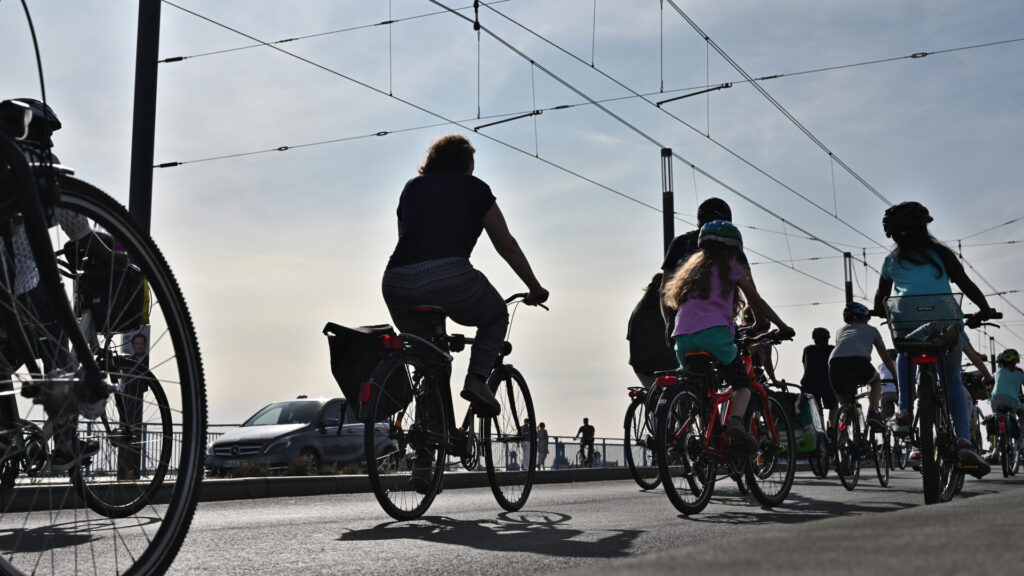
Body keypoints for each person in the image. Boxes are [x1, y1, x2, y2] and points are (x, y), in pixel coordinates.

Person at [381, 134, 549, 420]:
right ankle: (477, 380)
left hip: (397, 281)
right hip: (450, 276)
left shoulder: (411, 188)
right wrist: (534, 287)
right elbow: (505, 244)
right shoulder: (474, 188)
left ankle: (426, 446)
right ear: (467, 163)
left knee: (430, 363)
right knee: (495, 315)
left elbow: (403, 236)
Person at [872, 201, 997, 476]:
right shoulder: (942, 254)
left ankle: (904, 411)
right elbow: (967, 285)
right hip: (945, 317)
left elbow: (881, 300)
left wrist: (878, 310)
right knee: (952, 379)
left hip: (906, 320)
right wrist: (985, 310)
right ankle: (964, 440)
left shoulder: (891, 261)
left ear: (893, 234)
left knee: (905, 349)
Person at [662, 220, 794, 448]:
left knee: (704, 392)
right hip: (716, 337)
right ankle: (735, 423)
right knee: (744, 385)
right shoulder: (731, 269)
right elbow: (756, 302)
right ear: (733, 250)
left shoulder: (689, 272)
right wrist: (782, 326)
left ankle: (708, 439)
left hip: (682, 338)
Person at [660, 198, 751, 341]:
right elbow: (751, 292)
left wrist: (670, 326)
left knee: (687, 360)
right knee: (731, 359)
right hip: (719, 327)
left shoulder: (679, 243)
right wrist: (761, 322)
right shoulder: (732, 248)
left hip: (680, 328)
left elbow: (665, 290)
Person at [828, 302, 897, 432]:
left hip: (834, 365)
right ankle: (873, 413)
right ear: (864, 317)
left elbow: (843, 350)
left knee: (847, 407)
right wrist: (896, 378)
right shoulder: (872, 330)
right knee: (876, 381)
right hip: (858, 362)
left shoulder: (840, 331)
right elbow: (886, 359)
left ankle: (839, 444)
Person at [626, 272, 679, 387]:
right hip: (667, 364)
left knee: (655, 399)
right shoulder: (670, 305)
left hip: (641, 366)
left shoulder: (638, 308)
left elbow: (630, 337)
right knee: (682, 395)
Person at [801, 327, 838, 430]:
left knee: (815, 408)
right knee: (834, 406)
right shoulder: (832, 349)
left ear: (814, 339)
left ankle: (818, 429)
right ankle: (832, 429)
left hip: (809, 384)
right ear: (827, 339)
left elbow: (805, 367)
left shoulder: (807, 349)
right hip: (827, 383)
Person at [989, 349, 1024, 438]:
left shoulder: (997, 373)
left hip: (995, 401)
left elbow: (987, 381)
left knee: (996, 418)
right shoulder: (1019, 373)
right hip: (1012, 401)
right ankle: (1021, 437)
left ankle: (995, 445)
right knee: (1018, 413)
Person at [878, 348, 899, 421]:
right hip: (897, 393)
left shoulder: (880, 366)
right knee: (904, 411)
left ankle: (887, 427)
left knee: (886, 416)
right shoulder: (898, 364)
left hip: (885, 394)